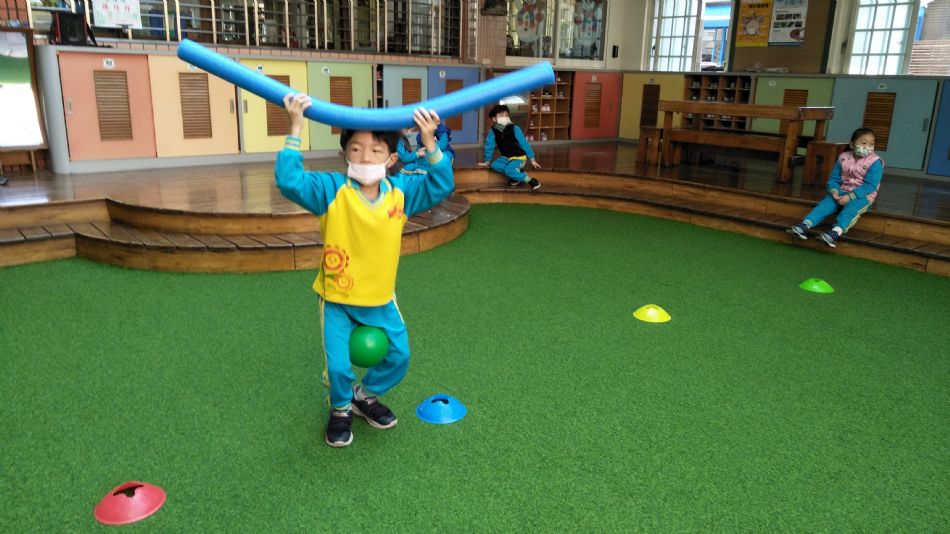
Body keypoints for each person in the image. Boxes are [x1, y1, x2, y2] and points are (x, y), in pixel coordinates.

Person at [275, 93, 454, 447]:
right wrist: (295, 128)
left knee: (399, 356)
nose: (365, 157)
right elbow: (289, 181)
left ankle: (364, 395)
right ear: (345, 154)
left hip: (380, 299)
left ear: (391, 158)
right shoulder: (331, 190)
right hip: (338, 298)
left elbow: (441, 185)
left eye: (375, 150)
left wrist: (430, 141)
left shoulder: (400, 193)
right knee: (338, 366)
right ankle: (340, 408)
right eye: (356, 149)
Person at [787, 128, 883, 248]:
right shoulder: (843, 157)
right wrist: (834, 191)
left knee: (851, 209)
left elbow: (870, 186)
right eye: (864, 143)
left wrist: (850, 197)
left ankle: (835, 232)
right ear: (852, 144)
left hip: (863, 196)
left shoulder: (875, 162)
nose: (868, 147)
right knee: (825, 205)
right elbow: (834, 179)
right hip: (842, 191)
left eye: (871, 144)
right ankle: (805, 225)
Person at [477, 104, 542, 190]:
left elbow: (524, 143)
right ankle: (516, 174)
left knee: (509, 170)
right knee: (494, 165)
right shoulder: (493, 130)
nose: (504, 117)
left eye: (506, 115)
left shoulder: (515, 128)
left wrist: (532, 159)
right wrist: (487, 161)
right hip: (506, 157)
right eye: (501, 115)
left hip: (519, 157)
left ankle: (530, 180)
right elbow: (489, 145)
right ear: (494, 119)